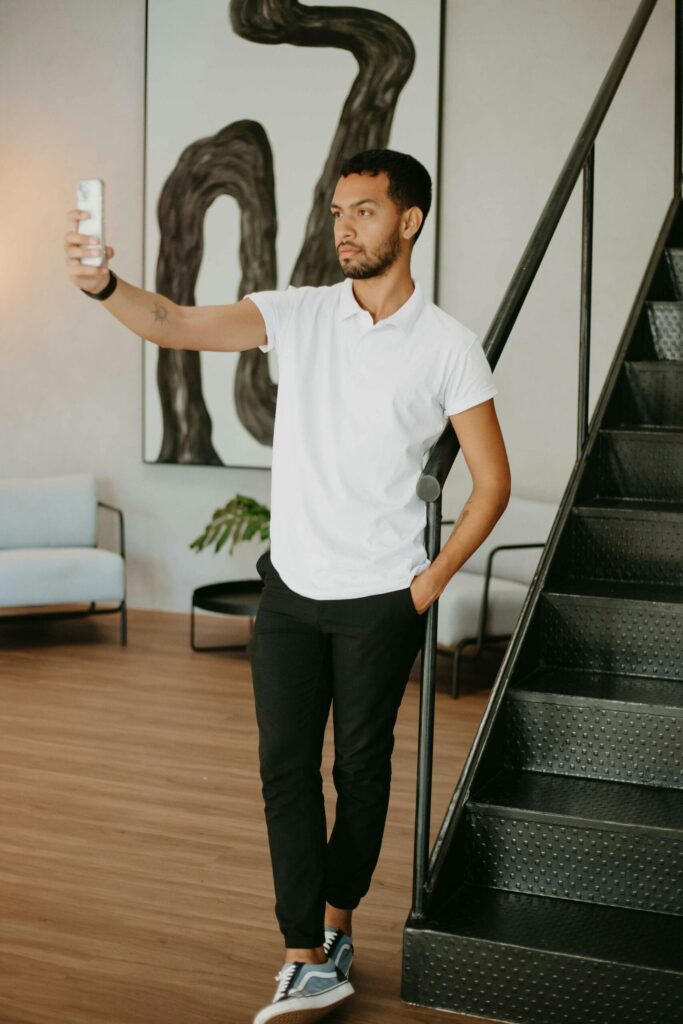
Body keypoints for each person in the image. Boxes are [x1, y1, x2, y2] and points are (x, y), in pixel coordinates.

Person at [64, 148, 511, 1024]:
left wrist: (425, 587)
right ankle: (302, 952)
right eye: (337, 210)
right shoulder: (297, 314)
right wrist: (102, 286)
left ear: (409, 221)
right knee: (283, 772)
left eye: (365, 212)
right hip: (292, 593)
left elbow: (490, 482)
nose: (343, 226)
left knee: (362, 773)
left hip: (382, 599)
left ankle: (338, 925)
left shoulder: (448, 346)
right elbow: (174, 322)